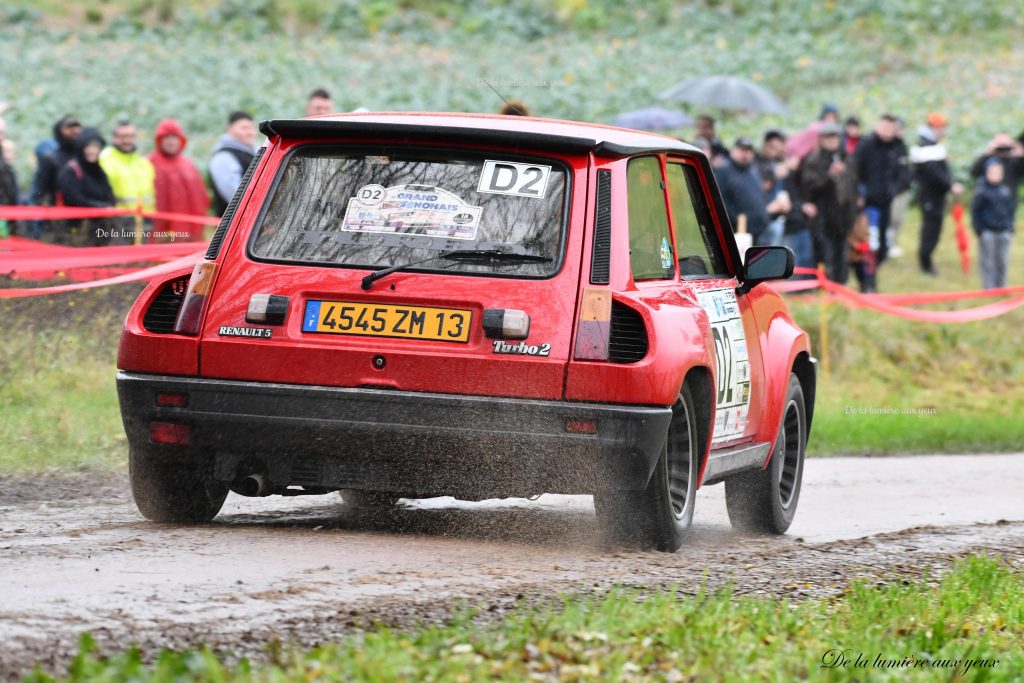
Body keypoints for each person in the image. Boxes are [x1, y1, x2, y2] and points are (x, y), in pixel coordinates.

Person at [800, 121, 859, 283]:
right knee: (826, 255)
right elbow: (810, 188)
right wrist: (829, 175)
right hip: (824, 217)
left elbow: (853, 185)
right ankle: (828, 287)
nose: (832, 141)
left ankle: (841, 287)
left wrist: (856, 208)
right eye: (828, 137)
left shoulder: (847, 157)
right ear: (821, 139)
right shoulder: (814, 160)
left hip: (844, 216)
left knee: (843, 254)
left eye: (835, 137)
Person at [854, 114, 910, 272]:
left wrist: (894, 189)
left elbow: (904, 173)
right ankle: (864, 261)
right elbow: (855, 170)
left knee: (885, 229)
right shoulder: (866, 144)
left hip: (887, 198)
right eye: (884, 127)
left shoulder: (899, 146)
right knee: (867, 231)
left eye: (890, 128)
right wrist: (859, 192)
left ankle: (881, 258)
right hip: (867, 199)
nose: (887, 131)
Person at [909, 112, 963, 276]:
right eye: (941, 127)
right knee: (930, 229)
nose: (943, 131)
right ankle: (925, 263)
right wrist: (950, 186)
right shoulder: (925, 146)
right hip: (930, 197)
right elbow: (934, 174)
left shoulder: (933, 144)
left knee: (934, 228)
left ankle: (927, 260)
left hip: (936, 196)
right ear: (933, 127)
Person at [716, 137, 788, 244]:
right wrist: (738, 220)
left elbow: (759, 195)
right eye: (742, 150)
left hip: (760, 229)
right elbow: (721, 202)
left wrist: (771, 206)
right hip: (738, 232)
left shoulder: (752, 170)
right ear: (733, 151)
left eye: (748, 151)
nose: (745, 154)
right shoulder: (723, 172)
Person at [149, 118, 211, 242]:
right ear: (159, 140)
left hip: (191, 229)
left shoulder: (188, 164)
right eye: (167, 138)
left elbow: (201, 197)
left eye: (174, 137)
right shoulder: (150, 163)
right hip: (161, 230)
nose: (171, 142)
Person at [56, 127, 115, 246]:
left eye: (96, 147)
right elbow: (74, 199)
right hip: (76, 231)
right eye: (89, 146)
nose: (92, 150)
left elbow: (109, 195)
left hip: (100, 230)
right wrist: (100, 207)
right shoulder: (71, 171)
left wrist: (107, 207)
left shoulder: (99, 171)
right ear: (81, 147)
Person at [99, 119, 155, 244]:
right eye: (123, 136)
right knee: (119, 260)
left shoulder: (143, 162)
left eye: (130, 136)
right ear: (114, 138)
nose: (127, 140)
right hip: (116, 222)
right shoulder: (105, 159)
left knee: (142, 261)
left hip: (143, 222)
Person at [30, 114, 81, 240]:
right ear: (60, 130)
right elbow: (38, 192)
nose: (74, 131)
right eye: (69, 127)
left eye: (76, 127)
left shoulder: (83, 158)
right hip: (58, 221)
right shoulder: (51, 159)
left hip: (83, 219)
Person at [971, 160, 1014, 290]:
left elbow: (1010, 210)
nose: (995, 175)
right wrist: (980, 230)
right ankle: (989, 288)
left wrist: (1009, 228)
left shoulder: (1005, 191)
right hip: (988, 231)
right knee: (987, 261)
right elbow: (975, 212)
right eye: (992, 172)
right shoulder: (981, 191)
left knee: (1002, 261)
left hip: (1004, 231)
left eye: (998, 172)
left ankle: (1001, 285)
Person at [209, 111, 257, 215]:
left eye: (252, 128)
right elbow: (234, 195)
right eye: (244, 128)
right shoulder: (223, 157)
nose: (250, 132)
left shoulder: (253, 152)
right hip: (234, 224)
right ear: (229, 129)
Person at [969, 133, 1024, 209]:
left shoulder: (1014, 161)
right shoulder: (988, 159)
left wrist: (1018, 150)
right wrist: (988, 152)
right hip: (986, 203)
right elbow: (974, 172)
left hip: (1009, 202)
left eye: (1005, 144)